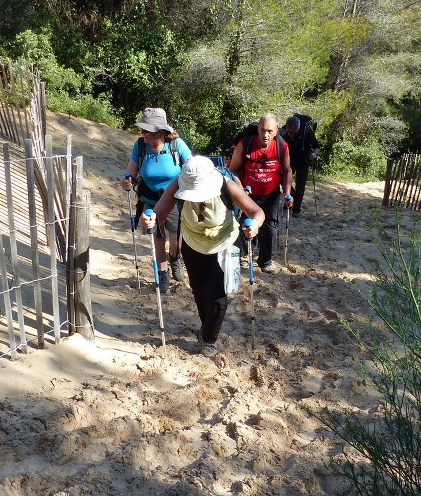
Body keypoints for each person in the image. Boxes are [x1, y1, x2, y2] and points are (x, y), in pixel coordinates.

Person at [143, 156, 265, 357]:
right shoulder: (178, 184)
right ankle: (206, 328)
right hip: (192, 243)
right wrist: (150, 220)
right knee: (199, 292)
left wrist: (255, 225)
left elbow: (256, 211)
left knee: (217, 297)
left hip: (225, 242)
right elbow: (159, 215)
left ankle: (209, 339)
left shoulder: (227, 185)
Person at [120, 107, 191, 292]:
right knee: (158, 238)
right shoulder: (140, 145)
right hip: (150, 199)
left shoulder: (177, 145)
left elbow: (192, 167)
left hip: (174, 199)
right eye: (142, 129)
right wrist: (127, 180)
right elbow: (131, 170)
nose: (142, 133)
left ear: (159, 131)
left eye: (146, 130)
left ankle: (175, 258)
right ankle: (162, 273)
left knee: (176, 241)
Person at [227, 113, 293, 273]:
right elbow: (233, 169)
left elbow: (286, 170)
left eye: (270, 131)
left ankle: (265, 261)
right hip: (248, 195)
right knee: (246, 226)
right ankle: (245, 255)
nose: (265, 134)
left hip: (271, 194)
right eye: (263, 130)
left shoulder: (281, 147)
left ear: (276, 131)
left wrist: (287, 192)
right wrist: (240, 189)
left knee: (270, 228)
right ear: (258, 129)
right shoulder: (245, 144)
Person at [282, 114, 321, 218]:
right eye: (288, 129)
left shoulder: (306, 131)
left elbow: (317, 147)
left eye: (292, 130)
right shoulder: (284, 131)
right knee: (284, 181)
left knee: (300, 185)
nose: (290, 132)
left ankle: (296, 209)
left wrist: (314, 154)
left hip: (304, 160)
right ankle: (290, 198)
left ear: (296, 127)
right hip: (289, 159)